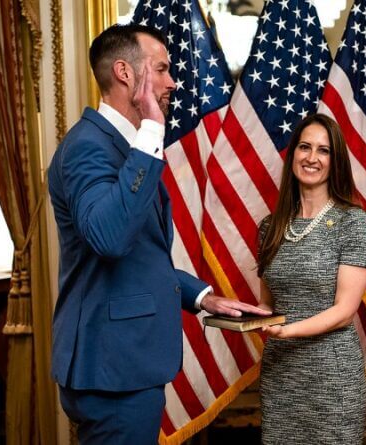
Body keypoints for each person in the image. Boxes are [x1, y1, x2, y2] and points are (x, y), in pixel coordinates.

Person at [47, 24, 268, 444]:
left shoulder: (123, 146)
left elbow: (139, 255)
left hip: (123, 364)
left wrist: (202, 297)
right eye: (162, 69)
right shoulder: (88, 146)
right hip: (114, 369)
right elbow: (110, 239)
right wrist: (151, 126)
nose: (173, 81)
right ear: (126, 73)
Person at [256, 113, 366, 444]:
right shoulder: (270, 228)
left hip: (333, 379)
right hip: (281, 374)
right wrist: (244, 317)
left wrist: (287, 331)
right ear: (292, 153)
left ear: (335, 161)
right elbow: (268, 303)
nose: (311, 158)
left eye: (323, 151)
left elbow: (344, 311)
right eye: (305, 147)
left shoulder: (356, 223)